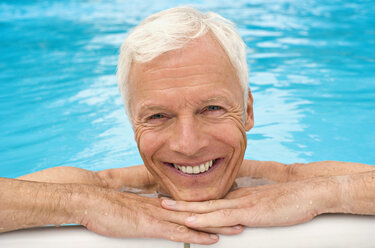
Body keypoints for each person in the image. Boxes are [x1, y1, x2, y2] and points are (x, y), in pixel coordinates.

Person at [1, 7, 374, 245]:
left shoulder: (292, 181)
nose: (188, 144)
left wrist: (323, 196)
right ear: (133, 123)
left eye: (211, 108)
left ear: (247, 111)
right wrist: (82, 204)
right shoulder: (98, 189)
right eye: (158, 116)